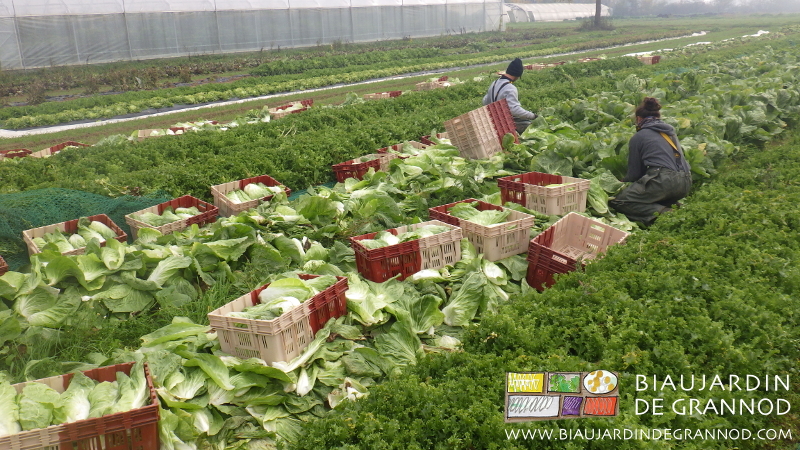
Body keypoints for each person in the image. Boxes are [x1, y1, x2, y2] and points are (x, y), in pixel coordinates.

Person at [609, 97, 692, 226]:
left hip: (664, 181)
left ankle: (667, 214)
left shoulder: (639, 136)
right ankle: (680, 211)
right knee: (654, 197)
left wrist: (621, 182)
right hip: (685, 180)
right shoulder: (669, 133)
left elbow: (634, 174)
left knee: (621, 201)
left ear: (638, 119)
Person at [483, 57, 537, 135]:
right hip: (503, 124)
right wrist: (533, 116)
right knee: (530, 125)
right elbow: (514, 110)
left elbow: (485, 101)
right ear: (518, 75)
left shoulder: (494, 83)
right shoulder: (510, 88)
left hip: (493, 120)